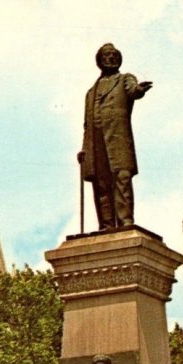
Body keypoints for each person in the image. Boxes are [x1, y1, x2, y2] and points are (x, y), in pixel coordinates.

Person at [78, 43, 152, 230]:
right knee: (101, 184)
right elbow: (87, 125)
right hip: (96, 143)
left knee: (122, 178)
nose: (110, 58)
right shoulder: (90, 93)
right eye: (106, 55)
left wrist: (139, 90)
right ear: (99, 61)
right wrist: (84, 150)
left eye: (114, 55)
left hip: (117, 140)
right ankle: (106, 224)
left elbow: (132, 90)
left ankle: (126, 220)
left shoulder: (124, 79)